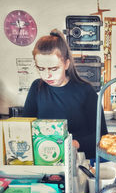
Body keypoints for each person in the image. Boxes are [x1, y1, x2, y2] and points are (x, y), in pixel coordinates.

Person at [23, 29, 108, 159]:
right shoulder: (37, 88)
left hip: (79, 161)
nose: (47, 75)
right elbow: (26, 126)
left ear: (66, 64)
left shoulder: (86, 91)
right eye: (41, 69)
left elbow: (102, 136)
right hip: (45, 159)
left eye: (53, 69)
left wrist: (74, 144)